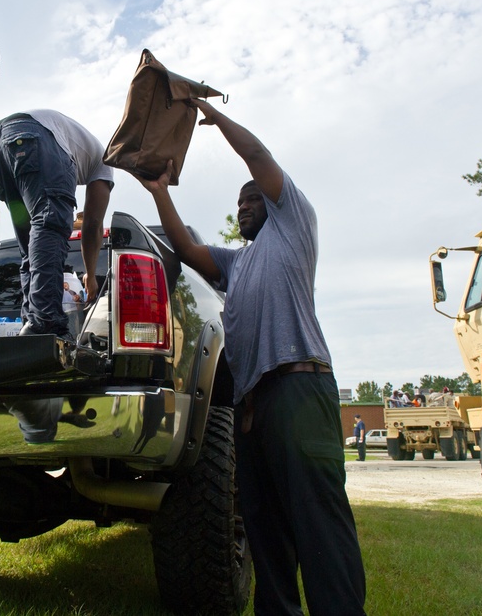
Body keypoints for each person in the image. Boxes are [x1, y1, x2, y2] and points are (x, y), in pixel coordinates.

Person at [136, 99, 366, 615]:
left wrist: (217, 122)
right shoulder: (236, 264)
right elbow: (185, 245)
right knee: (264, 527)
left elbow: (259, 155)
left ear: (273, 201)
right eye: (238, 204)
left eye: (251, 200)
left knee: (319, 520)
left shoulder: (295, 225)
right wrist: (160, 194)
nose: (242, 208)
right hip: (252, 408)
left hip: (298, 390)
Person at [0, 110, 114, 341]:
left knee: (29, 248)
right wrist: (91, 275)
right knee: (50, 222)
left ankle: (31, 323)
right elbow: (92, 224)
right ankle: (46, 322)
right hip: (35, 135)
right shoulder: (106, 162)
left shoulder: (84, 146)